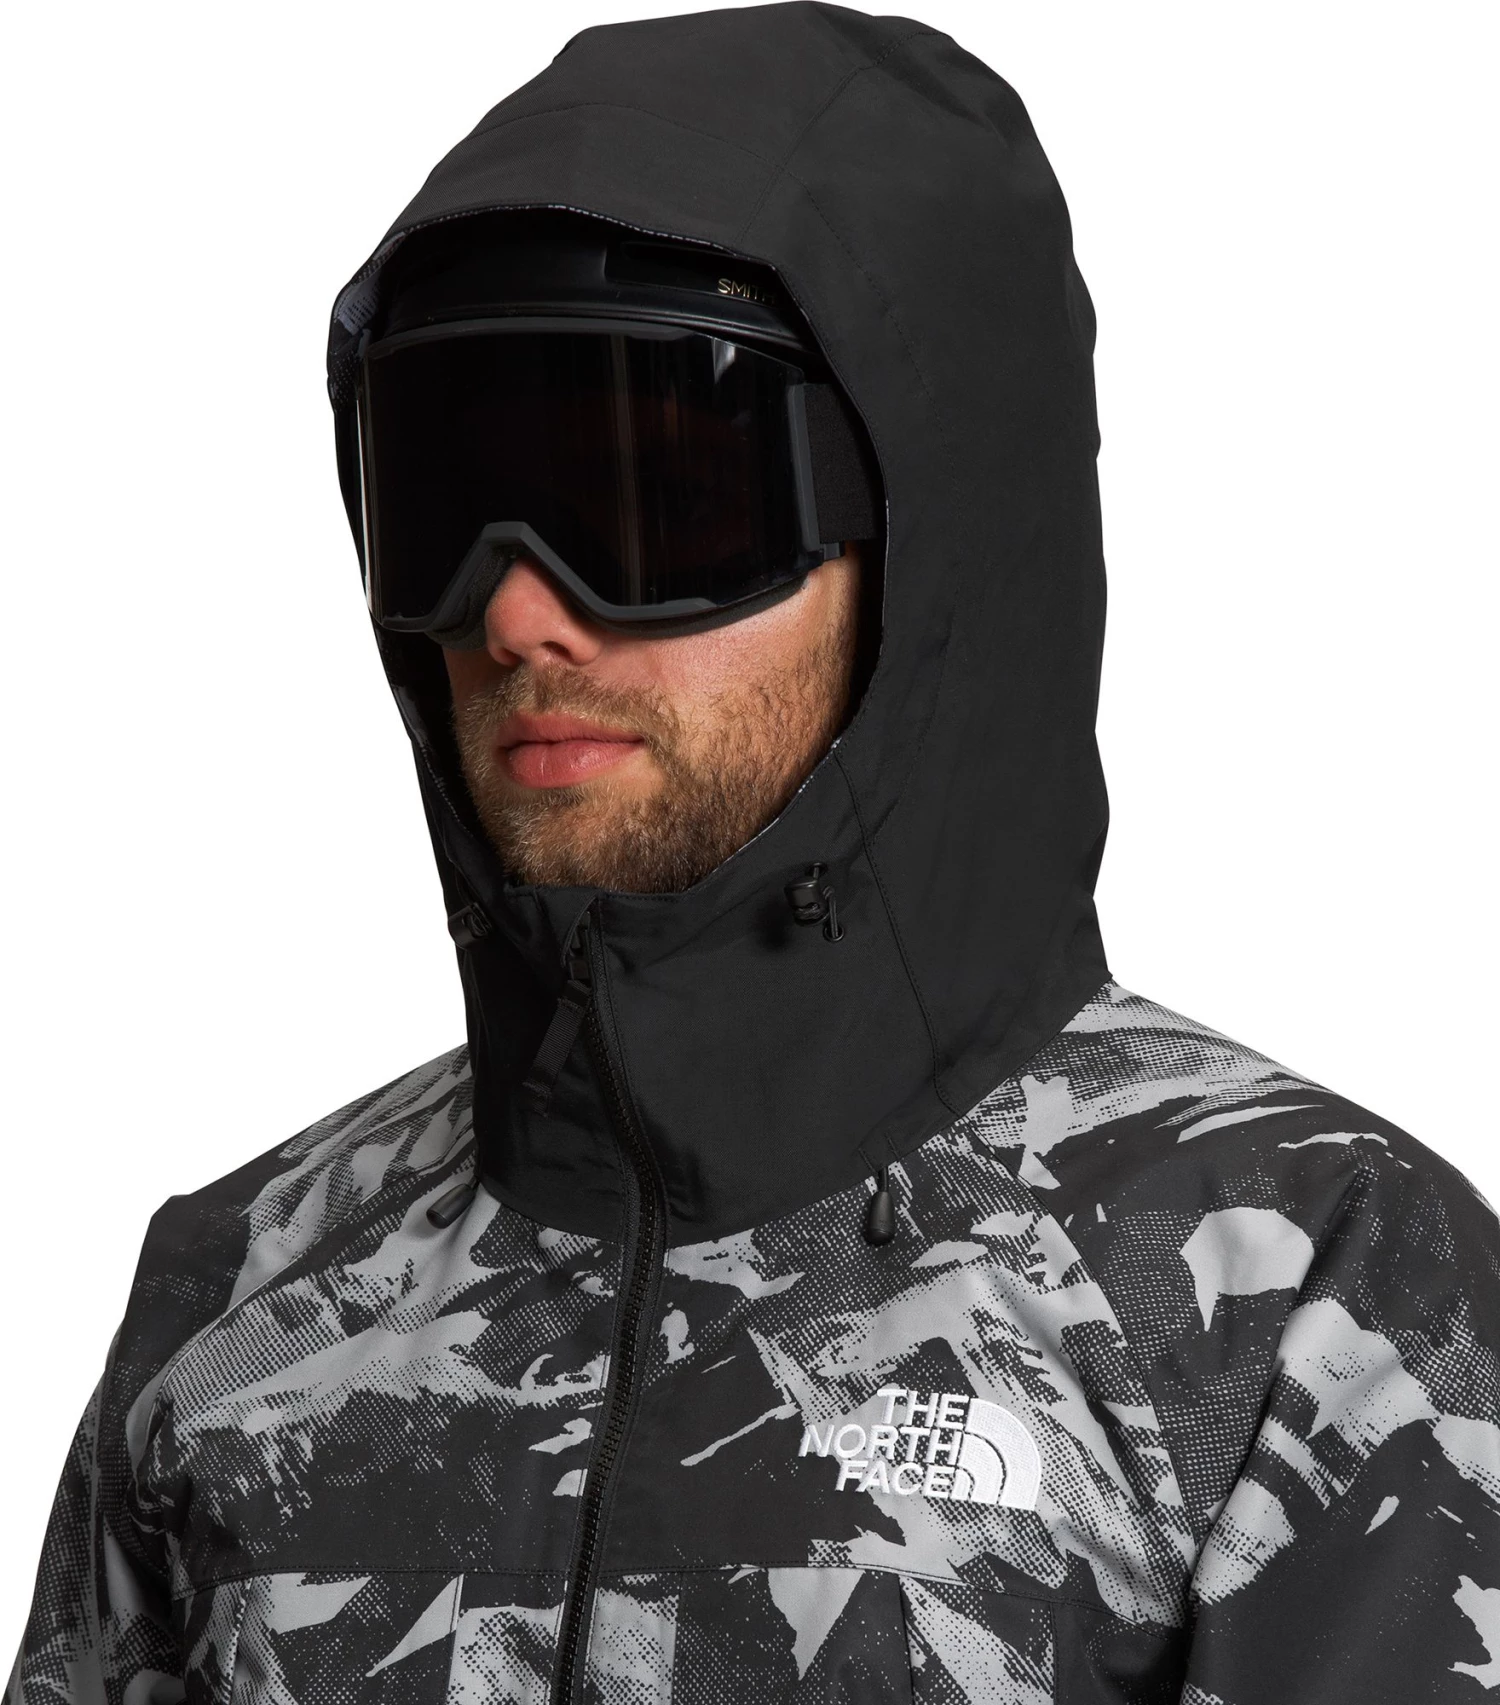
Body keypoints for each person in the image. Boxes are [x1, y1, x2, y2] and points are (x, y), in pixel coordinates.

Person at [9, 4, 1498, 1701]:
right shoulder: (247, 1289)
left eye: (655, 499)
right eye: (445, 509)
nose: (517, 613)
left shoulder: (1299, 1291)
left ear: (926, 540)